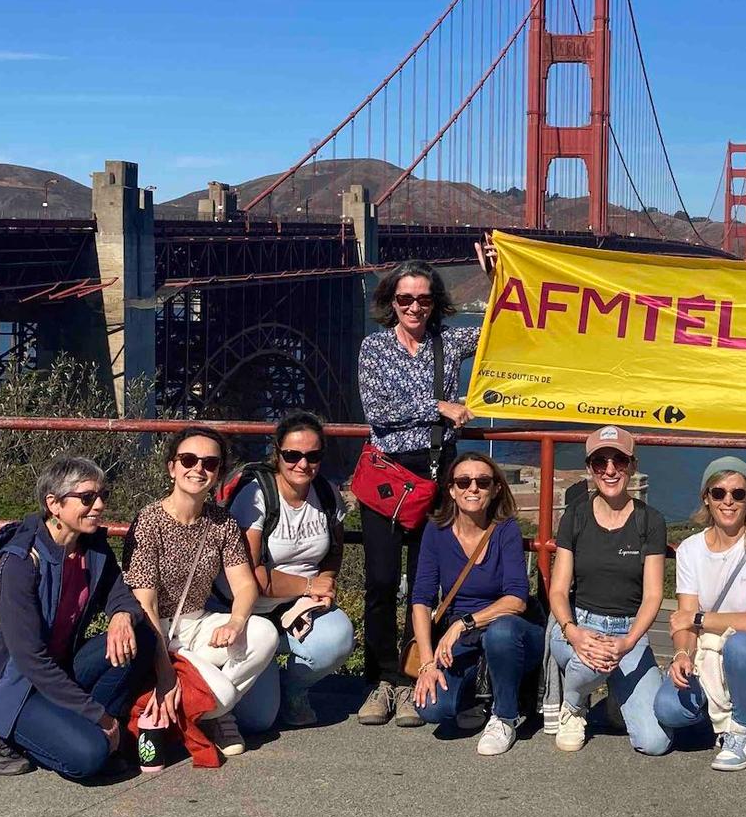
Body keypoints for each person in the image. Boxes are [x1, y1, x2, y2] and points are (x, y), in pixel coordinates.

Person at [0, 457, 156, 779]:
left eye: (102, 496)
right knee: (89, 757)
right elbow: (31, 661)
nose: (99, 505)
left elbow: (119, 591)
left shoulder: (91, 547)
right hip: (14, 685)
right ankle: (6, 734)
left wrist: (122, 615)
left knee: (143, 637)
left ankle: (88, 729)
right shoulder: (20, 564)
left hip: (61, 667)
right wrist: (101, 717)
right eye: (87, 498)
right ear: (54, 504)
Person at [355, 259, 481, 727]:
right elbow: (377, 410)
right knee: (382, 580)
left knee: (424, 585)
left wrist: (499, 275)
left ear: (436, 303)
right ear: (392, 301)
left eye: (423, 299)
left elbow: (503, 327)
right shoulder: (374, 348)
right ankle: (381, 680)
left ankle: (412, 679)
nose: (414, 306)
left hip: (436, 474)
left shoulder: (450, 342)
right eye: (404, 298)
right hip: (388, 479)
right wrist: (438, 406)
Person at [124, 427, 279, 758]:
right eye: (188, 459)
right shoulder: (149, 521)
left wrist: (237, 623)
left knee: (264, 632)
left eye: (210, 463)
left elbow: (245, 585)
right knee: (221, 694)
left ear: (219, 472)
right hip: (157, 631)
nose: (198, 469)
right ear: (172, 467)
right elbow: (145, 602)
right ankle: (215, 711)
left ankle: (198, 703)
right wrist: (164, 669)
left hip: (198, 623)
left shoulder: (222, 523)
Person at [654, 456, 746, 772]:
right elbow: (683, 618)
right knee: (668, 709)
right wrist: (681, 655)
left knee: (739, 644)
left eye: (737, 494)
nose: (728, 501)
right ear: (706, 497)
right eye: (719, 493)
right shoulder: (689, 550)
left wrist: (699, 619)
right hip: (711, 655)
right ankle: (719, 707)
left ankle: (741, 732)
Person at [227, 411, 355, 735]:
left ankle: (293, 688)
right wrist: (311, 583)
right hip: (250, 612)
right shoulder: (255, 497)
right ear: (277, 454)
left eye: (313, 456)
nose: (303, 464)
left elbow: (335, 549)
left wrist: (326, 582)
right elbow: (252, 576)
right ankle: (263, 667)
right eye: (292, 455)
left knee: (337, 637)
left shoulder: (326, 493)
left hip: (297, 607)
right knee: (258, 720)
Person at [546, 426, 671, 755]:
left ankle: (616, 689)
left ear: (632, 465)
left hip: (629, 631)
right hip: (578, 624)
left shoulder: (650, 521)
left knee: (655, 742)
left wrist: (628, 642)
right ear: (589, 468)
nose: (610, 470)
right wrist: (573, 632)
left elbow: (653, 595)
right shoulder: (575, 516)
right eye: (600, 462)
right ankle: (574, 707)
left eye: (619, 460)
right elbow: (558, 590)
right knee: (590, 660)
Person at [407, 452, 542, 755]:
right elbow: (421, 599)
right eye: (463, 481)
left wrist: (464, 623)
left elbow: (517, 600)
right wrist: (427, 663)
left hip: (510, 631)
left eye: (483, 482)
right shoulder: (436, 532)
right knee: (431, 708)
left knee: (500, 633)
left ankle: (504, 716)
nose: (473, 489)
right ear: (452, 490)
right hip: (465, 639)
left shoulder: (505, 529)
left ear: (495, 489)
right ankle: (472, 699)